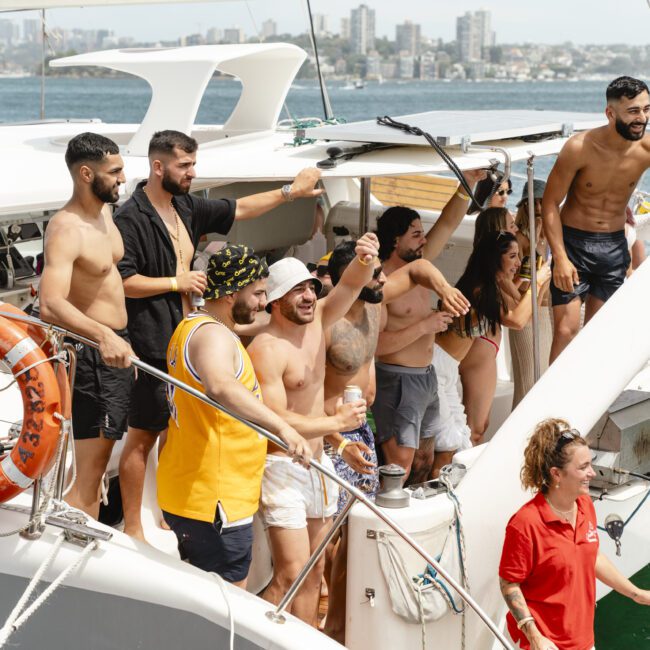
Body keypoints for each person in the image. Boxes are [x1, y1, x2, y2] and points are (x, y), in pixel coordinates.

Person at [114, 129, 324, 540]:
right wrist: (176, 282)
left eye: (193, 164)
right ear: (158, 167)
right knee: (143, 435)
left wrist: (290, 192)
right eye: (185, 165)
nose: (193, 173)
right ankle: (134, 526)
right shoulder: (130, 219)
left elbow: (240, 209)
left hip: (187, 336)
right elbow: (123, 281)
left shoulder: (186, 207)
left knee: (176, 429)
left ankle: (164, 508)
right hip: (152, 342)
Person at [322, 241, 469, 641]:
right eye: (376, 274)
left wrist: (446, 290)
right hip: (334, 435)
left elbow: (420, 266)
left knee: (355, 532)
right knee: (330, 537)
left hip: (363, 428)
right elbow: (307, 396)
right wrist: (336, 440)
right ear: (351, 277)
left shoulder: (373, 302)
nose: (385, 279)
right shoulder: (325, 322)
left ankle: (341, 620)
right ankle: (324, 622)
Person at [158, 244, 312, 587]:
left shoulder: (195, 326)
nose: (262, 303)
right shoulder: (213, 336)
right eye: (257, 293)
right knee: (225, 611)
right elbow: (220, 385)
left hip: (198, 494)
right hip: (215, 502)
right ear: (231, 293)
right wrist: (283, 428)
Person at [247, 234, 379, 626]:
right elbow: (276, 419)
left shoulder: (319, 318)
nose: (307, 296)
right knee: (291, 573)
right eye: (296, 291)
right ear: (274, 300)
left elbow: (353, 283)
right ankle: (251, 632)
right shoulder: (266, 348)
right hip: (282, 471)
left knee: (314, 572)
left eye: (310, 287)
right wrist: (336, 424)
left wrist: (364, 257)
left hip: (319, 464)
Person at [38, 132, 134, 519]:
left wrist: (120, 337)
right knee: (89, 474)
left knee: (102, 463)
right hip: (92, 357)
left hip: (115, 348)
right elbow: (49, 303)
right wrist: (104, 335)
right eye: (115, 172)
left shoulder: (106, 213)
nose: (123, 179)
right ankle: (78, 548)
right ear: (85, 174)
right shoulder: (66, 228)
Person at [499, 418, 650, 650]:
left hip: (582, 640)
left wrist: (636, 593)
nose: (592, 473)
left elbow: (593, 556)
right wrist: (534, 635)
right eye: (582, 467)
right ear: (556, 474)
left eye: (591, 464)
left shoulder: (584, 505)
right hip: (545, 644)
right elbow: (509, 584)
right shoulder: (525, 524)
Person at [372, 170, 483, 483]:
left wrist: (469, 183)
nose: (424, 240)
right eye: (416, 234)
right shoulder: (382, 282)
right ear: (395, 241)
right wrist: (425, 326)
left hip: (426, 377)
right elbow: (376, 347)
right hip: (397, 380)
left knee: (425, 459)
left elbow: (448, 223)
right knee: (400, 466)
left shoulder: (419, 265)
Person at [544, 76, 650, 363]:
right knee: (566, 331)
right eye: (633, 111)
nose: (642, 118)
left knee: (598, 333)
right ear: (610, 113)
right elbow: (550, 203)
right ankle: (550, 406)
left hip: (614, 247)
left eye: (646, 109)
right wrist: (561, 259)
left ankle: (586, 406)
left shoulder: (646, 148)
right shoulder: (580, 147)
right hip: (574, 245)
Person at [432, 232, 550, 472]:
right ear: (494, 259)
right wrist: (536, 282)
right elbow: (517, 320)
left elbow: (527, 316)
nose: (518, 263)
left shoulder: (492, 286)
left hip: (448, 367)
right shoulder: (479, 289)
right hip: (436, 365)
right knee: (447, 446)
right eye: (512, 257)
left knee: (460, 439)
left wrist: (540, 283)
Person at [509, 180, 554, 408]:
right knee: (528, 386)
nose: (539, 207)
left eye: (543, 202)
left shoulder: (548, 237)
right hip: (526, 313)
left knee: (541, 381)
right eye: (535, 202)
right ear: (525, 206)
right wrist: (536, 247)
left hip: (545, 313)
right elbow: (517, 283)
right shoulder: (520, 240)